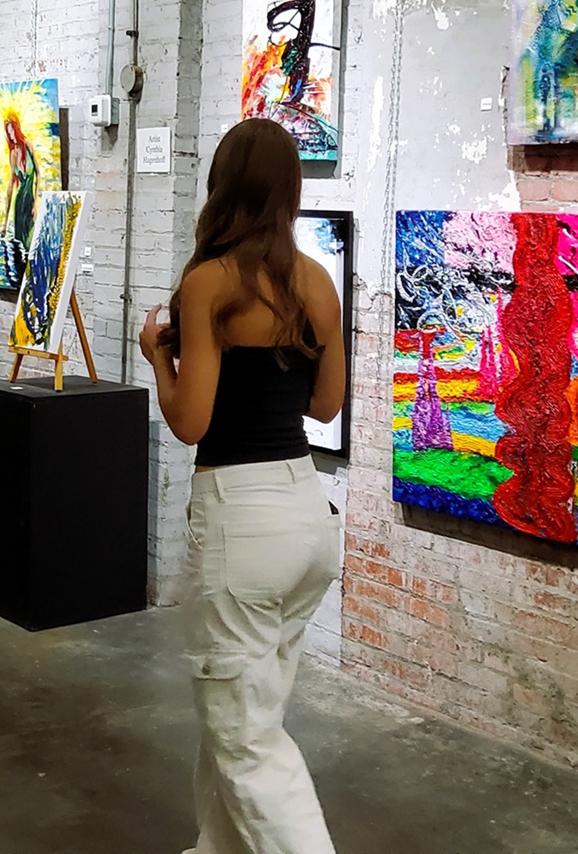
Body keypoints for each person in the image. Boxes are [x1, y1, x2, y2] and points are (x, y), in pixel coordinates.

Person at [139, 118, 347, 854]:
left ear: (222, 185)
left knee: (245, 740)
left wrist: (157, 359)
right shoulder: (317, 282)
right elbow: (326, 406)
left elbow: (190, 422)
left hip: (242, 523)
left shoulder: (209, 283)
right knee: (242, 719)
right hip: (306, 516)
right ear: (289, 190)